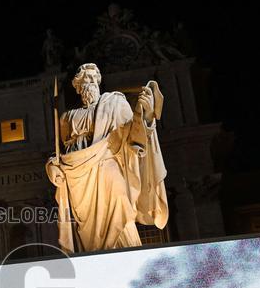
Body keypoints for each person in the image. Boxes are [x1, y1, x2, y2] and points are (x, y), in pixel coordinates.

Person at [46, 63, 168, 252]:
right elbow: (63, 153)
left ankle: (128, 251)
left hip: (109, 162)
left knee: (121, 200)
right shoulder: (67, 117)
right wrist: (52, 166)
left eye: (94, 78)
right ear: (77, 86)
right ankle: (96, 257)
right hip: (78, 177)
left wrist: (146, 116)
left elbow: (132, 136)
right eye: (86, 78)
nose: (91, 81)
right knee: (88, 227)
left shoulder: (115, 103)